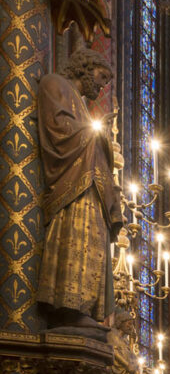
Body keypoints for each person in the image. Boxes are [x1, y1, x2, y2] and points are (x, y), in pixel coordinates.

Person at [37, 50, 124, 328]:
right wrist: (95, 134)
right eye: (101, 77)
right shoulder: (55, 84)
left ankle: (85, 310)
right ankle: (69, 309)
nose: (102, 86)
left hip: (90, 186)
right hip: (73, 187)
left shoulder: (83, 105)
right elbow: (59, 129)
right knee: (75, 239)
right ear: (84, 67)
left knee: (92, 247)